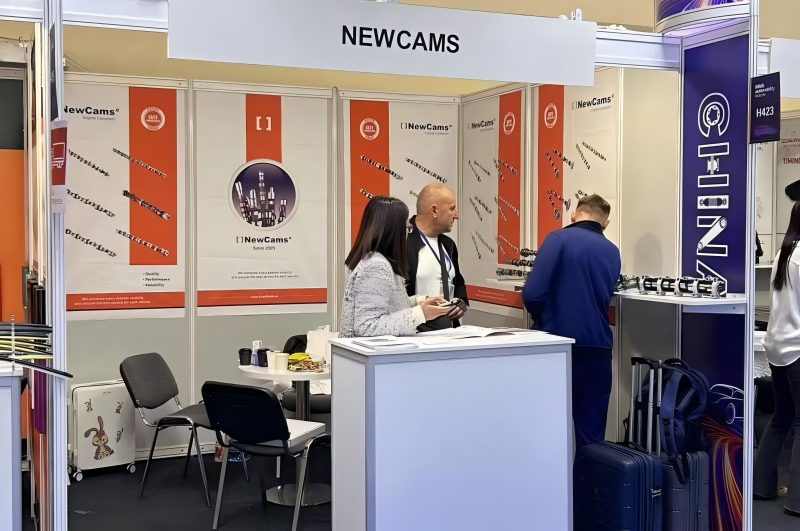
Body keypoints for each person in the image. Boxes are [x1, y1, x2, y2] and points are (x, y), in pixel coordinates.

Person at [522, 194, 621, 450]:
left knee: (548, 430)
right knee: (592, 437)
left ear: (574, 215)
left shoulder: (558, 240)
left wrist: (544, 318)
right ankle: (588, 478)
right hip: (598, 349)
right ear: (605, 224)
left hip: (557, 346)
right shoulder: (612, 251)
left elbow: (532, 294)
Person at [340, 196, 457, 338]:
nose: (408, 233)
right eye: (407, 228)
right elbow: (367, 326)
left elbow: (389, 305)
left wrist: (419, 302)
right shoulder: (376, 266)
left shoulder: (377, 261)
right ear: (393, 231)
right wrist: (420, 314)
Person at [754, 201, 800, 517]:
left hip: (778, 348)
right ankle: (797, 501)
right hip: (797, 349)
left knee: (782, 416)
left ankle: (761, 484)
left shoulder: (785, 253)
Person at [406, 183, 468, 331]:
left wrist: (461, 303)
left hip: (448, 334)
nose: (456, 215)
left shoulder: (449, 245)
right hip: (415, 336)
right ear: (434, 210)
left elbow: (458, 283)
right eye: (452, 209)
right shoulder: (403, 243)